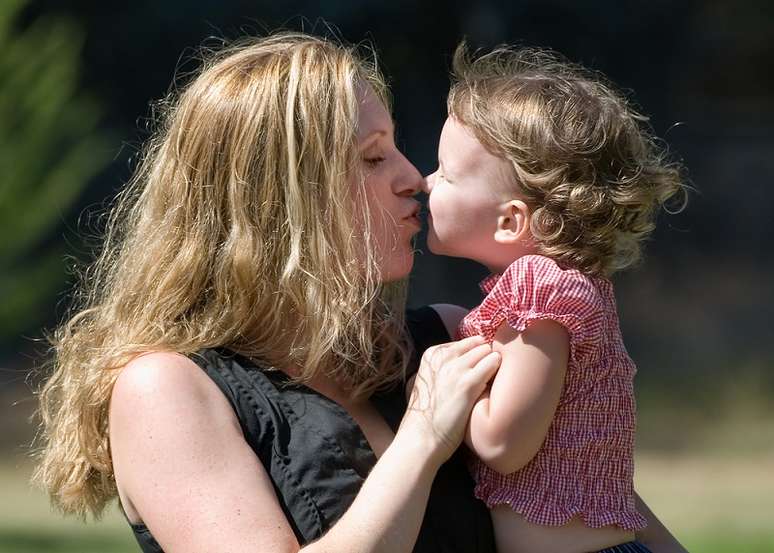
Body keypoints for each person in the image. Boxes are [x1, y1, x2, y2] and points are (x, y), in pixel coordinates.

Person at [33, 32, 684, 553]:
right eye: (373, 157)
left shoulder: (451, 337)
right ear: (280, 196)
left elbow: (598, 496)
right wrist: (425, 435)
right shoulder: (166, 389)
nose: (414, 180)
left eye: (399, 149)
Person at [423, 45, 689, 553]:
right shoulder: (571, 285)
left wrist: (440, 388)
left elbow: (504, 446)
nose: (425, 181)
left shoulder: (537, 290)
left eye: (445, 173)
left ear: (511, 222)